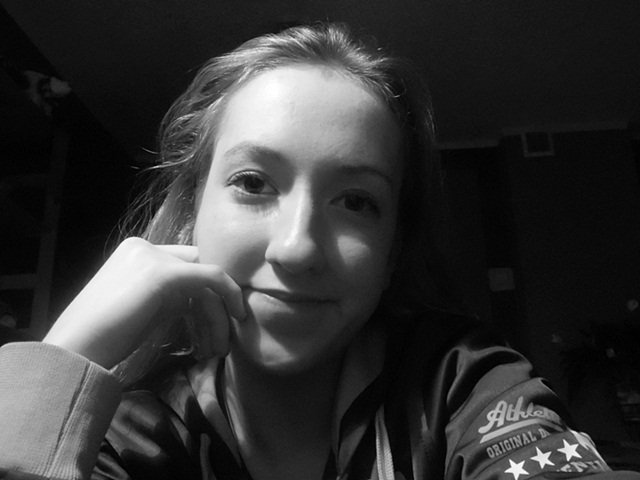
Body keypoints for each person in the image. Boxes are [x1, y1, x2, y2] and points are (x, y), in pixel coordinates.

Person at [0, 23, 637, 480]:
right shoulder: (130, 433)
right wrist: (65, 357)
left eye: (355, 201)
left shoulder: (461, 384)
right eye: (253, 184)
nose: (297, 247)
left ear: (392, 251)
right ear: (192, 214)